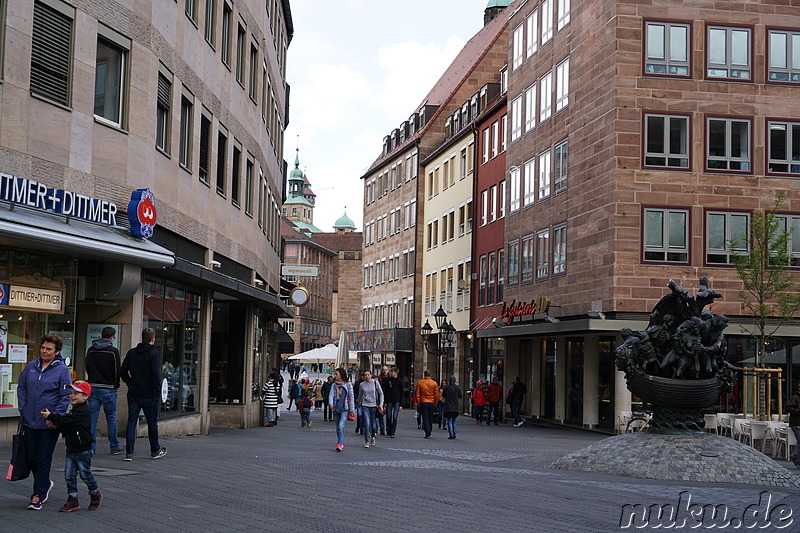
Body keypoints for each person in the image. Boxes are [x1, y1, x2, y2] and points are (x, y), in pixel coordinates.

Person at [17, 334, 72, 510]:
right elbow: (22, 387)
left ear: (57, 352)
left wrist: (54, 417)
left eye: (49, 349)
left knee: (43, 458)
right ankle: (45, 482)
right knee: (31, 457)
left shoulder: (62, 370)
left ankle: (38, 495)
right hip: (29, 420)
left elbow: (65, 397)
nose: (44, 351)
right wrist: (23, 408)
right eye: (43, 348)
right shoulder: (31, 366)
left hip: (48, 423)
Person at [41, 380, 101, 512]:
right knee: (69, 475)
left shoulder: (82, 411)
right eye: (71, 393)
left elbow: (65, 421)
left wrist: (51, 416)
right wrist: (55, 426)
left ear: (85, 397)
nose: (72, 396)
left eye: (76, 393)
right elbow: (66, 426)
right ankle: (72, 499)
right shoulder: (74, 411)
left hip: (83, 449)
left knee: (85, 474)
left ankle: (94, 493)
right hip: (72, 448)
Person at [120, 328, 167, 461]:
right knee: (152, 423)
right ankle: (154, 449)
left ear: (142, 337)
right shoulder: (154, 353)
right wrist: (156, 394)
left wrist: (130, 382)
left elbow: (123, 371)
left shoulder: (132, 353)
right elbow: (156, 376)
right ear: (153, 339)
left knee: (131, 421)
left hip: (134, 392)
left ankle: (129, 452)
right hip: (149, 393)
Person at [85, 326, 123, 456]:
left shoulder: (91, 350)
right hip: (108, 388)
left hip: (93, 387)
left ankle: (91, 447)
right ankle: (114, 446)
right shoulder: (113, 351)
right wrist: (115, 384)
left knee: (92, 419)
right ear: (112, 337)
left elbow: (87, 367)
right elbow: (117, 370)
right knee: (111, 418)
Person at [328, 367, 355, 452]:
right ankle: (340, 442)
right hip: (336, 408)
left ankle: (340, 443)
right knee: (337, 428)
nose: (335, 376)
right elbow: (331, 395)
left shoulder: (348, 385)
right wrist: (331, 403)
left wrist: (352, 410)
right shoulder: (334, 385)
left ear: (341, 375)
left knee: (341, 426)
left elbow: (351, 397)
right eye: (335, 374)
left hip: (345, 409)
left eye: (336, 374)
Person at [357, 370, 384, 448]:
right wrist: (359, 402)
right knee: (367, 423)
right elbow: (360, 395)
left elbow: (381, 393)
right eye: (365, 375)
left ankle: (372, 436)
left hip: (374, 406)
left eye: (368, 375)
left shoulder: (375, 383)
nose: (367, 376)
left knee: (373, 425)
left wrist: (381, 404)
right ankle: (366, 441)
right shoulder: (362, 385)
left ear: (371, 375)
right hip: (365, 405)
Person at [414, 370, 439, 438]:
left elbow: (418, 394)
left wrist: (418, 402)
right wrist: (435, 402)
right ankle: (430, 430)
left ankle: (427, 431)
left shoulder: (420, 383)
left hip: (423, 402)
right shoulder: (434, 383)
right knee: (430, 417)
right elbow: (436, 394)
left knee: (425, 418)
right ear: (430, 375)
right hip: (431, 402)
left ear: (424, 375)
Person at [383, 367, 403, 437]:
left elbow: (401, 392)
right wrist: (385, 402)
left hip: (397, 400)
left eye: (392, 372)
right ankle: (388, 428)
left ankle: (393, 432)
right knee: (388, 416)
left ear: (396, 372)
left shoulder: (400, 381)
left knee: (395, 417)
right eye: (391, 372)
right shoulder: (388, 380)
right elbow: (385, 391)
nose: (391, 373)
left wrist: (401, 404)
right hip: (389, 400)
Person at [787, 384, 800, 468]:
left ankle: (795, 456)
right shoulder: (795, 398)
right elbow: (787, 408)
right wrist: (798, 411)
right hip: (796, 423)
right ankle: (798, 459)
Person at [377, 366, 390, 435]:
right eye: (383, 370)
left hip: (388, 398)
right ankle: (382, 429)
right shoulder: (379, 378)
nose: (385, 371)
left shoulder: (390, 378)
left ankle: (388, 428)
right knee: (380, 414)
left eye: (386, 370)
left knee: (388, 415)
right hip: (380, 398)